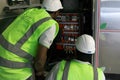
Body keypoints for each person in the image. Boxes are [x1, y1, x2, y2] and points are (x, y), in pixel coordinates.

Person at [0, 0, 63, 80]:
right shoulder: (50, 24)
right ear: (56, 12)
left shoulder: (30, 11)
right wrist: (40, 73)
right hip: (14, 69)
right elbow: (39, 62)